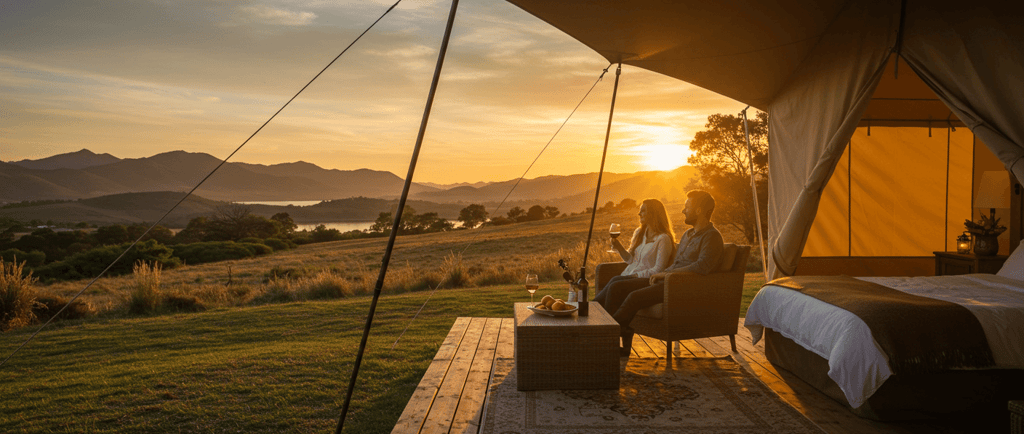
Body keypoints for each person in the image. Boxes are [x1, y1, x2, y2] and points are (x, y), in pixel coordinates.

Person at [595, 190, 725, 357]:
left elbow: (702, 267)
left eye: (687, 207)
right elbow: (676, 261)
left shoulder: (712, 237)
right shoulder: (688, 234)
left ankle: (602, 338)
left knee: (634, 297)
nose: (683, 211)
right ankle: (600, 326)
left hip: (680, 286)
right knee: (618, 285)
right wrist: (664, 274)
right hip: (666, 280)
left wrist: (665, 275)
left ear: (699, 210)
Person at [592, 199, 675, 305]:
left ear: (653, 213)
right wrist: (620, 248)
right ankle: (592, 309)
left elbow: (658, 270)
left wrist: (636, 275)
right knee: (615, 280)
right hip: (630, 275)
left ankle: (595, 311)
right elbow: (630, 260)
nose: (639, 213)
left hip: (646, 280)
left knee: (615, 283)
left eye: (643, 210)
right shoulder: (639, 233)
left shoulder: (663, 239)